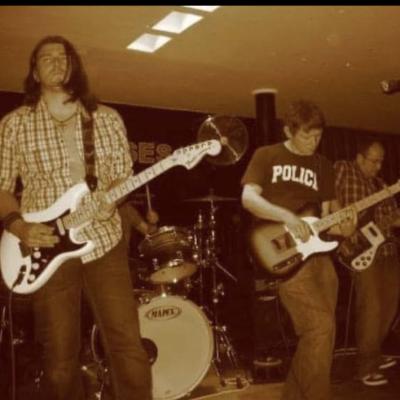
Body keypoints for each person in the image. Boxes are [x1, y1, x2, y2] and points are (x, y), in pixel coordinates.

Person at [0, 35, 152, 400]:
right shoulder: (14, 124)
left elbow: (121, 176)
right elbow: (1, 187)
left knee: (128, 347)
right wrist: (20, 227)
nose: (57, 61)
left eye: (64, 56)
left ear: (75, 67)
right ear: (34, 72)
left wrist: (112, 199)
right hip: (47, 248)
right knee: (59, 360)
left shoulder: (106, 118)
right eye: (46, 57)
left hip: (104, 242)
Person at [241, 99, 356, 400]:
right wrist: (288, 217)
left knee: (321, 336)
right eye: (307, 136)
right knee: (320, 328)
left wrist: (345, 227)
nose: (313, 143)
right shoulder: (267, 155)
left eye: (318, 136)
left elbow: (328, 216)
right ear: (288, 131)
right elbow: (249, 199)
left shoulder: (323, 165)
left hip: (321, 257)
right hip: (286, 255)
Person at [334, 139, 400, 386]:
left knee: (389, 306)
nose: (379, 166)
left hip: (387, 250)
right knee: (371, 307)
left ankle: (373, 353)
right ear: (359, 158)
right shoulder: (343, 169)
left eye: (382, 161)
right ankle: (366, 367)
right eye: (374, 161)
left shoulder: (382, 185)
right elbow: (325, 196)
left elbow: (393, 218)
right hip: (359, 250)